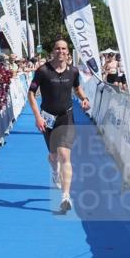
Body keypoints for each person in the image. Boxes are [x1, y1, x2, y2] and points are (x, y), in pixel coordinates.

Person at [28, 39, 91, 214]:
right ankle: (55, 171)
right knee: (53, 155)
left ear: (68, 52)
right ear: (53, 51)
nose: (61, 51)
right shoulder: (43, 71)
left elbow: (77, 89)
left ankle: (65, 196)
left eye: (64, 48)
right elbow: (31, 94)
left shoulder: (73, 71)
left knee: (64, 154)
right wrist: (37, 117)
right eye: (57, 48)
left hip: (66, 117)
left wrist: (84, 99)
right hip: (47, 118)